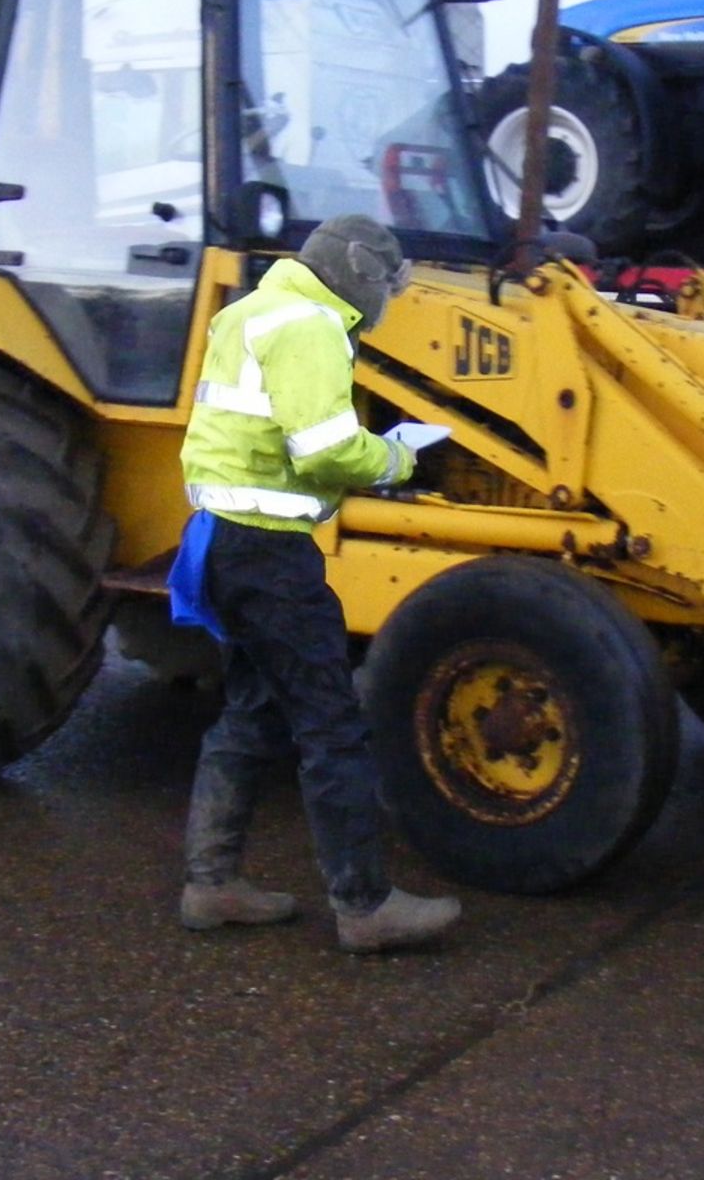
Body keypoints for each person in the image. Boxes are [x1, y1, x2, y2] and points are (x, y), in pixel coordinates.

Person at [171, 213, 462, 953]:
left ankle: (212, 884)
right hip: (269, 554)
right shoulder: (312, 326)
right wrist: (401, 460)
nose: (391, 300)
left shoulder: (250, 312)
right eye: (391, 285)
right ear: (362, 272)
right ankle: (364, 904)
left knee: (251, 707)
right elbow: (326, 448)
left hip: (220, 542)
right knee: (331, 722)